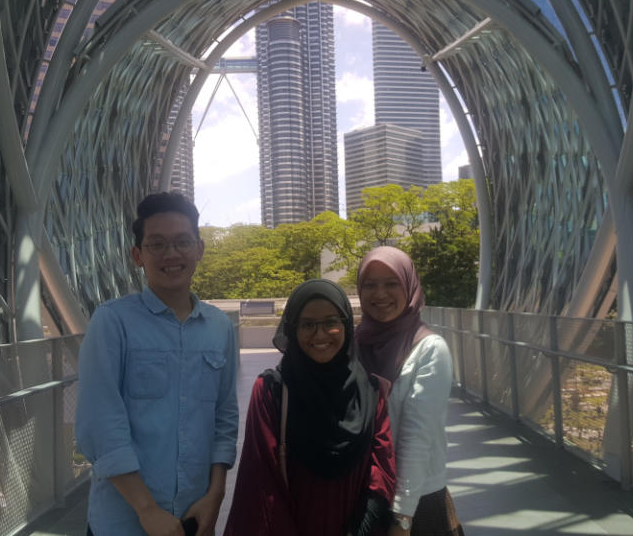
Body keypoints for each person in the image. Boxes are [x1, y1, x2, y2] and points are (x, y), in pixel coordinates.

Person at [75, 192, 238, 536]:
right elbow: (100, 424)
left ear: (199, 249)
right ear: (138, 255)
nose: (171, 254)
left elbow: (224, 417)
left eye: (182, 242)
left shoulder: (220, 327)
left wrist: (216, 494)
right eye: (157, 244)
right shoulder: (112, 322)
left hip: (195, 515)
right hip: (124, 522)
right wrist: (146, 509)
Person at [224, 279, 395, 536]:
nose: (320, 335)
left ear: (346, 324)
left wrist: (361, 529)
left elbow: (382, 470)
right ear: (293, 329)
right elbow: (261, 483)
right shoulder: (271, 391)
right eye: (307, 325)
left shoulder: (373, 392)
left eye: (330, 322)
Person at [356, 247, 463, 536]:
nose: (380, 294)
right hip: (362, 494)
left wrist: (402, 518)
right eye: (370, 285)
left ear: (409, 286)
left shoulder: (429, 349)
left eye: (392, 283)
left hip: (416, 501)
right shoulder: (355, 345)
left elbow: (417, 438)